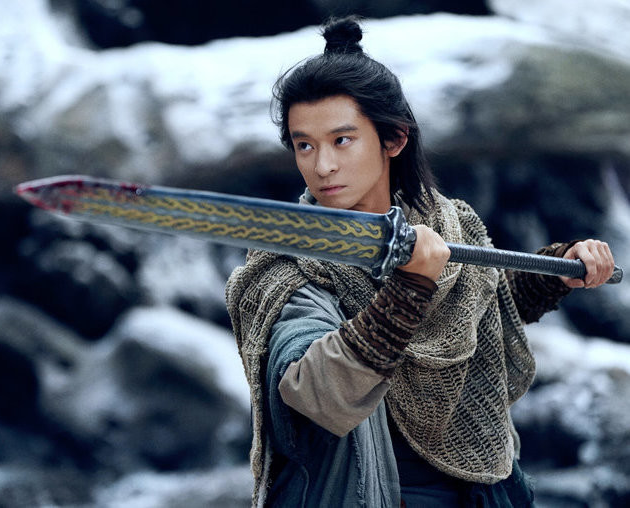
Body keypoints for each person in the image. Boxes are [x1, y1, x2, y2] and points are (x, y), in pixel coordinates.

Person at [225, 16, 616, 508]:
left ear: (393, 140)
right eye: (305, 145)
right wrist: (409, 288)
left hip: (486, 489)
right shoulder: (288, 260)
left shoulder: (452, 224)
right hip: (370, 494)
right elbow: (314, 393)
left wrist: (558, 271)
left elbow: (480, 311)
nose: (322, 166)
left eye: (342, 140)